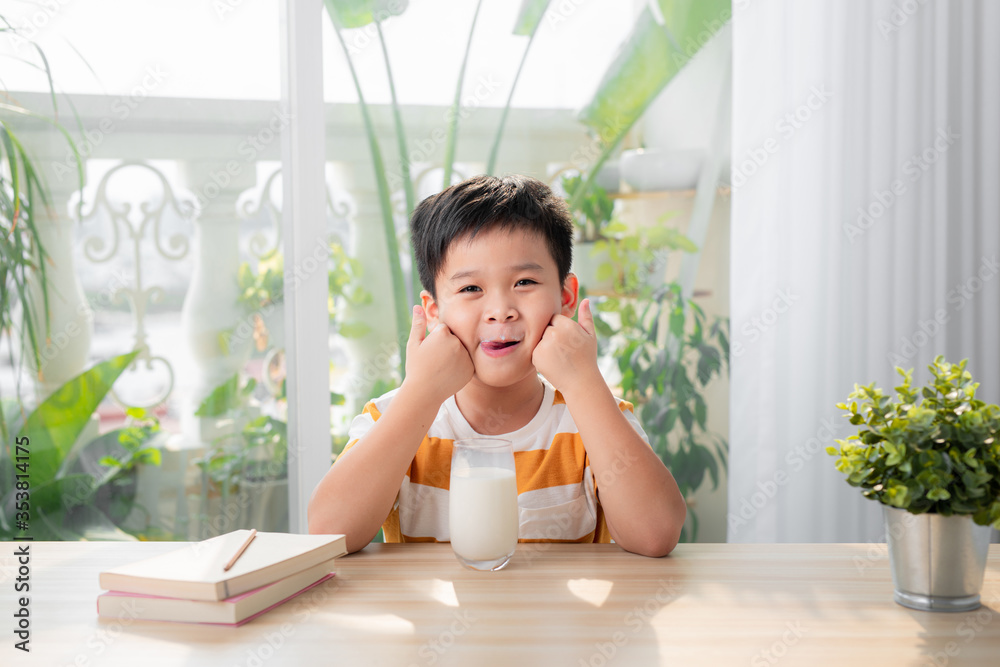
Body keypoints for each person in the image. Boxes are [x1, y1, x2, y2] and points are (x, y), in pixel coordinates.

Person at [308, 174, 686, 556]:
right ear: (434, 312)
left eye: (524, 282)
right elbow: (328, 533)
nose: (500, 311)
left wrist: (584, 383)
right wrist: (420, 392)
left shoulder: (595, 415)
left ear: (566, 296)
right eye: (471, 288)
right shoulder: (393, 417)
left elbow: (655, 535)